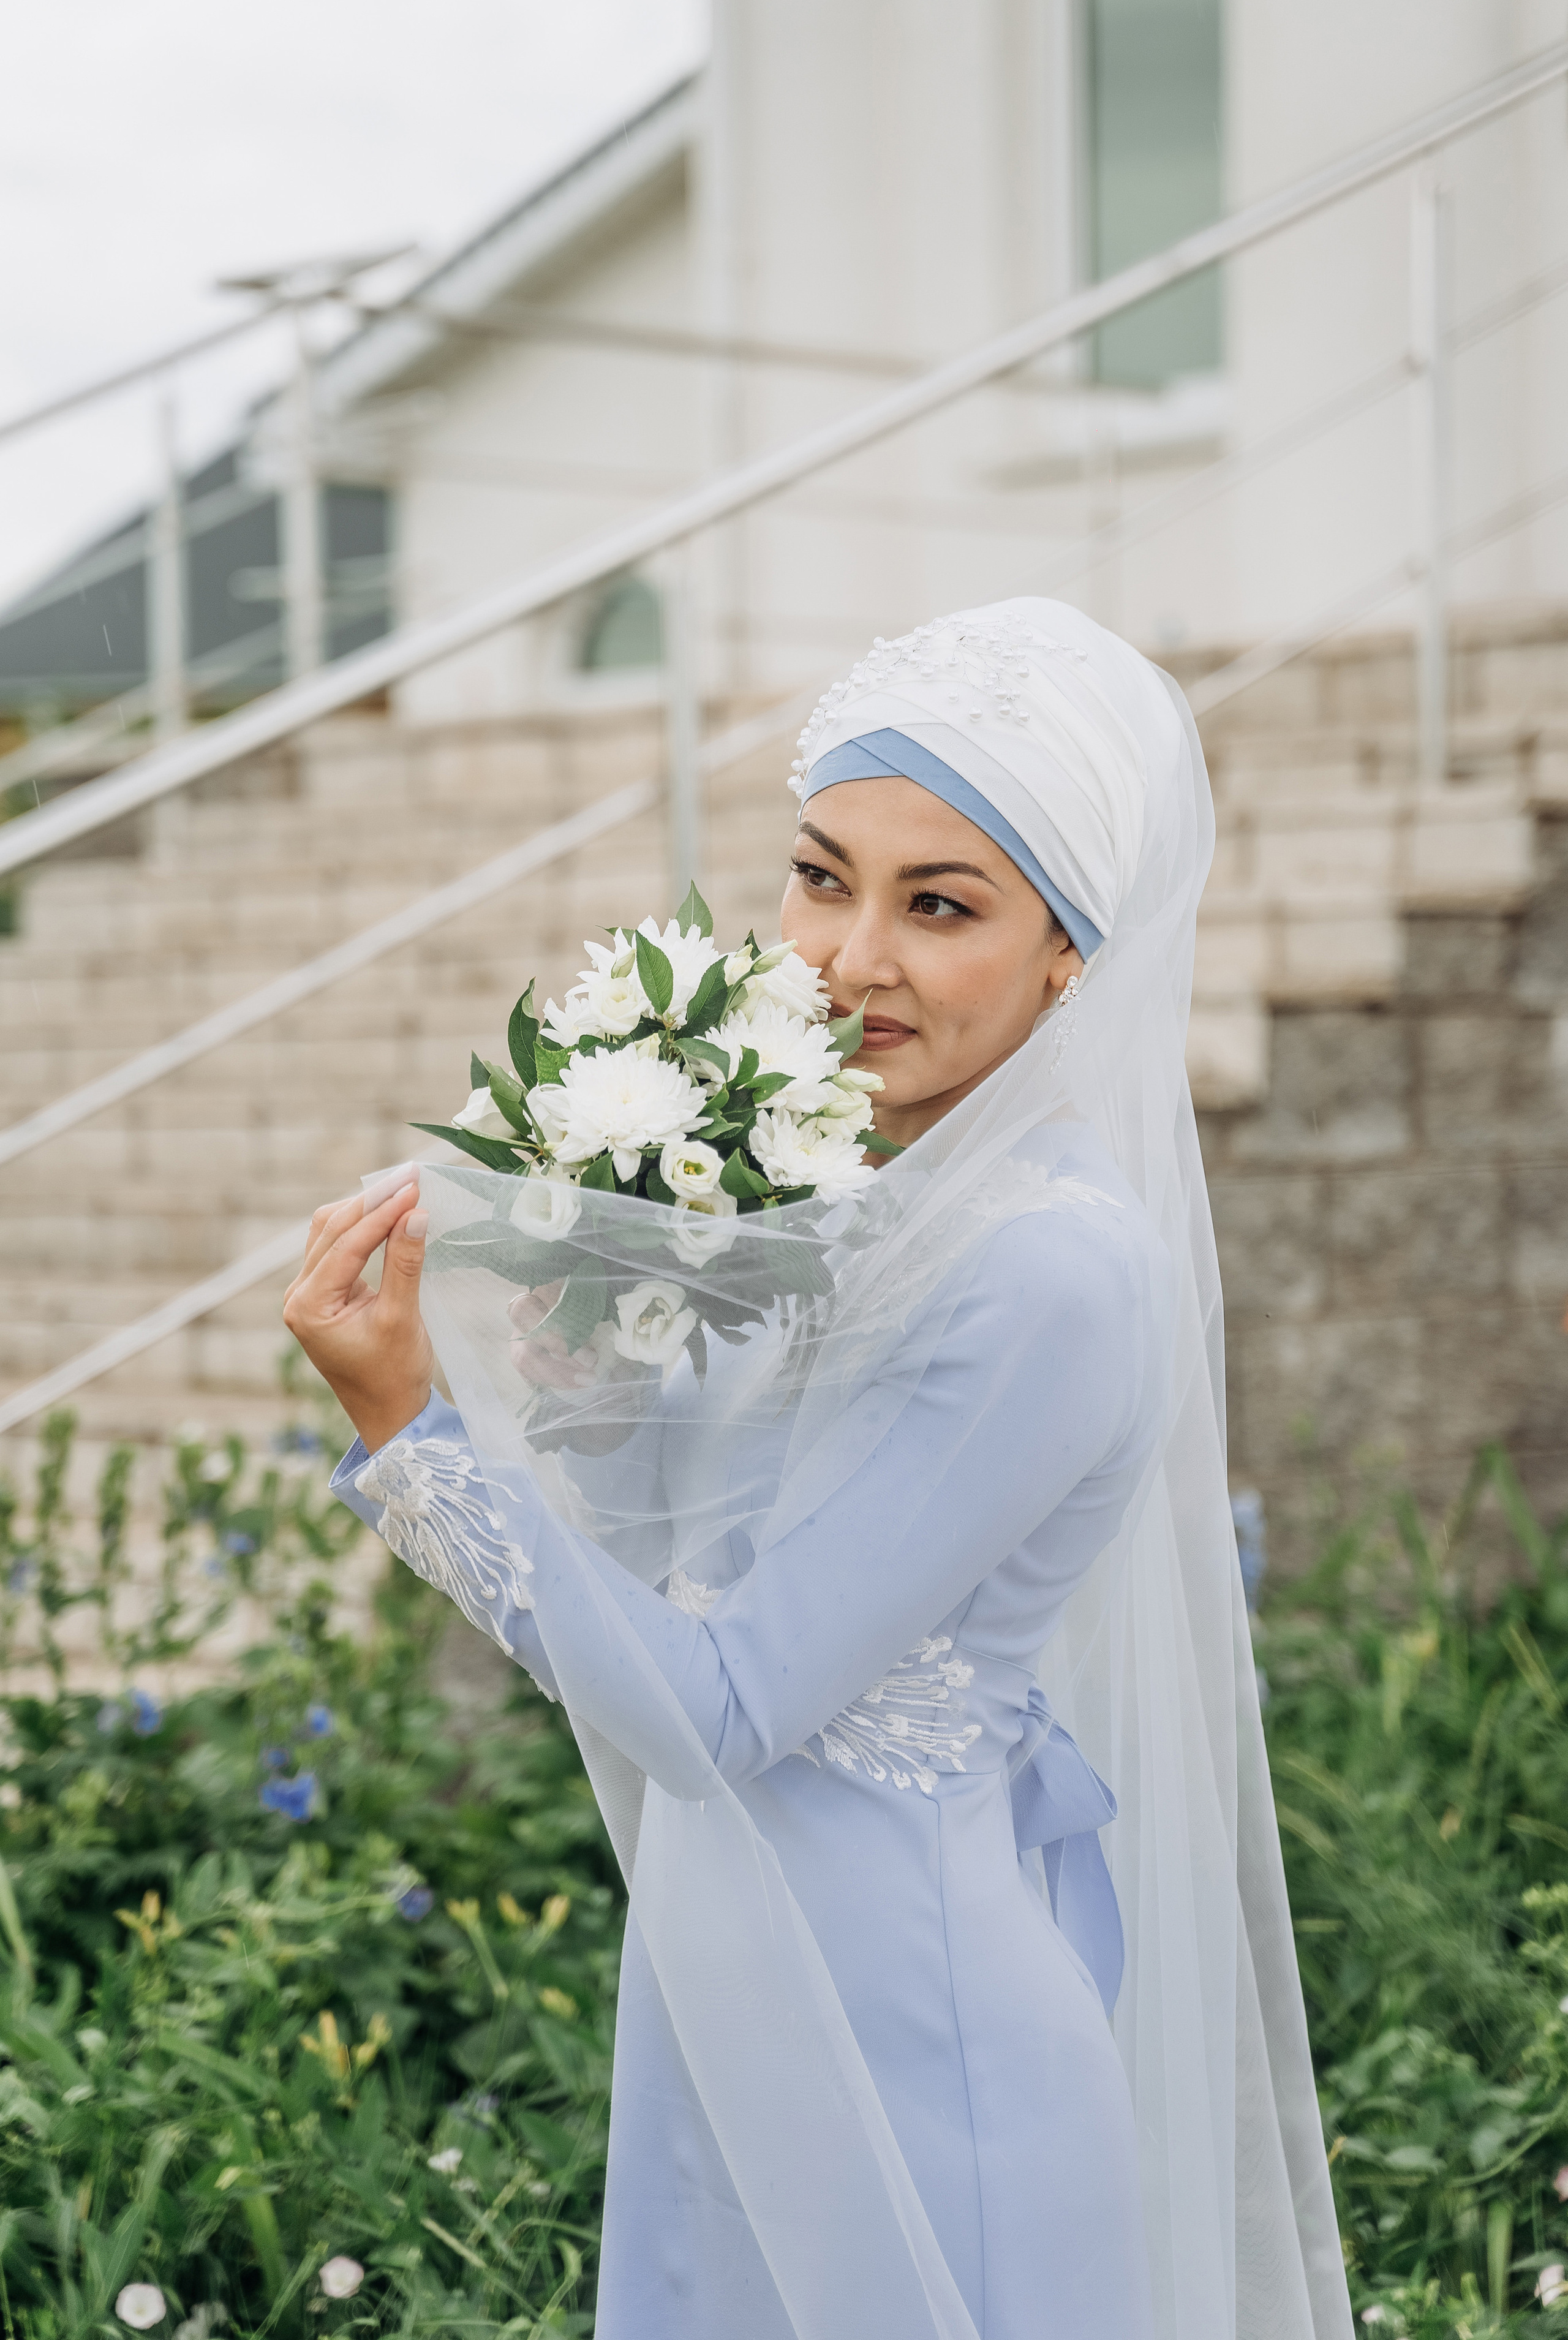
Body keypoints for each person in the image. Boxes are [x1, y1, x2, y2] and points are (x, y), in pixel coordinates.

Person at [283, 598, 1352, 2340]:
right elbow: (693, 1561)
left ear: (1073, 952)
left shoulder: (1050, 1272)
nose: (851, 957)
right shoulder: (827, 1201)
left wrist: (414, 1435)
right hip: (741, 1983)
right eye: (819, 876)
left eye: (942, 905)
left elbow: (715, 1706)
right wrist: (603, 1385)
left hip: (915, 2032)